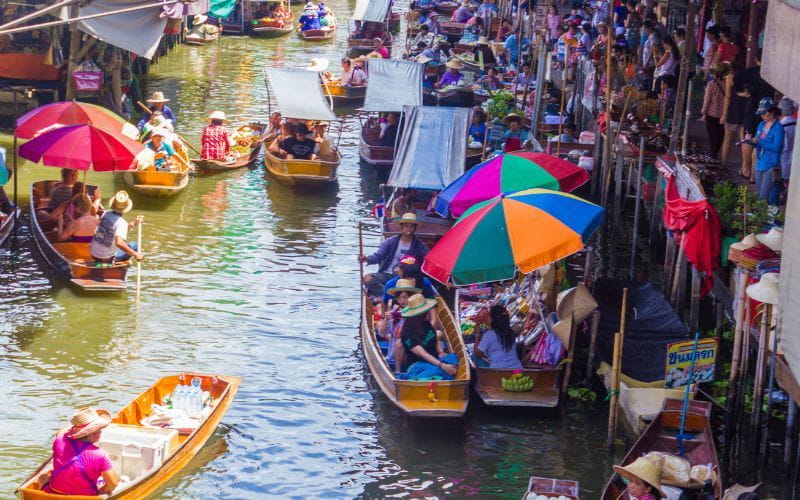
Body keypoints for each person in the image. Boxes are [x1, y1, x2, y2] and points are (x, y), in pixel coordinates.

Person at [40, 407, 119, 496]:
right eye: (99, 431)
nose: (101, 433)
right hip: (85, 497)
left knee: (42, 477)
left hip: (56, 493)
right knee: (116, 477)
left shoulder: (60, 439)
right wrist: (99, 492)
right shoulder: (100, 455)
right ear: (92, 434)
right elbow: (113, 484)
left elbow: (62, 431)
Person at [358, 213, 429, 296]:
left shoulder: (419, 246)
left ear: (415, 228)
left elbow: (426, 263)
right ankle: (390, 295)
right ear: (402, 227)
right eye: (406, 226)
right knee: (367, 279)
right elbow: (378, 257)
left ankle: (393, 294)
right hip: (386, 274)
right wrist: (366, 259)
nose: (409, 229)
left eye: (411, 226)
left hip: (405, 277)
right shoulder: (391, 242)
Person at [394, 294, 457, 375]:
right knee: (438, 371)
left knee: (454, 360)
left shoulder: (426, 323)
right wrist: (442, 365)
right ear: (420, 314)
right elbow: (422, 353)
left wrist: (441, 352)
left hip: (435, 359)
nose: (429, 312)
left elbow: (435, 338)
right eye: (426, 310)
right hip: (417, 364)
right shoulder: (407, 332)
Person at [746, 98, 784, 201]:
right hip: (760, 163)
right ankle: (769, 216)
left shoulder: (778, 128)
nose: (762, 116)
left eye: (764, 113)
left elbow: (777, 147)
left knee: (763, 197)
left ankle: (769, 216)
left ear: (772, 112)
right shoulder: (761, 125)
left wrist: (760, 141)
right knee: (764, 196)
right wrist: (751, 141)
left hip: (771, 166)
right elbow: (757, 143)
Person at [90, 191, 144, 263]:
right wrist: (135, 254)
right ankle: (115, 261)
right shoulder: (122, 222)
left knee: (128, 246)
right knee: (134, 245)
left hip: (93, 253)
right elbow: (119, 243)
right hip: (106, 258)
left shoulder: (106, 213)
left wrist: (133, 224)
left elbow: (114, 231)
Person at [376, 280, 418, 369]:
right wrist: (386, 320)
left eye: (405, 297)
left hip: (412, 352)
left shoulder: (418, 312)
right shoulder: (395, 313)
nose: (402, 301)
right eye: (399, 298)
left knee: (401, 343)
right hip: (394, 355)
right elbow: (382, 334)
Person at [474, 304, 523, 369]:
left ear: (493, 319)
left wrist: (477, 334)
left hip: (498, 372)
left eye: (489, 317)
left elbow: (478, 355)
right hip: (518, 370)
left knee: (473, 357)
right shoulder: (510, 332)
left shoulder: (489, 335)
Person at [701, 62, 729, 158]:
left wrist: (704, 113)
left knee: (712, 134)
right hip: (723, 114)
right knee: (720, 135)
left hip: (711, 114)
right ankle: (715, 152)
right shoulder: (728, 85)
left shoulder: (711, 84)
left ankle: (713, 153)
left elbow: (707, 100)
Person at [777, 97, 797, 202]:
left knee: (782, 181)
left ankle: (783, 196)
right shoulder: (796, 123)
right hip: (794, 160)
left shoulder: (781, 126)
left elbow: (782, 147)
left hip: (783, 160)